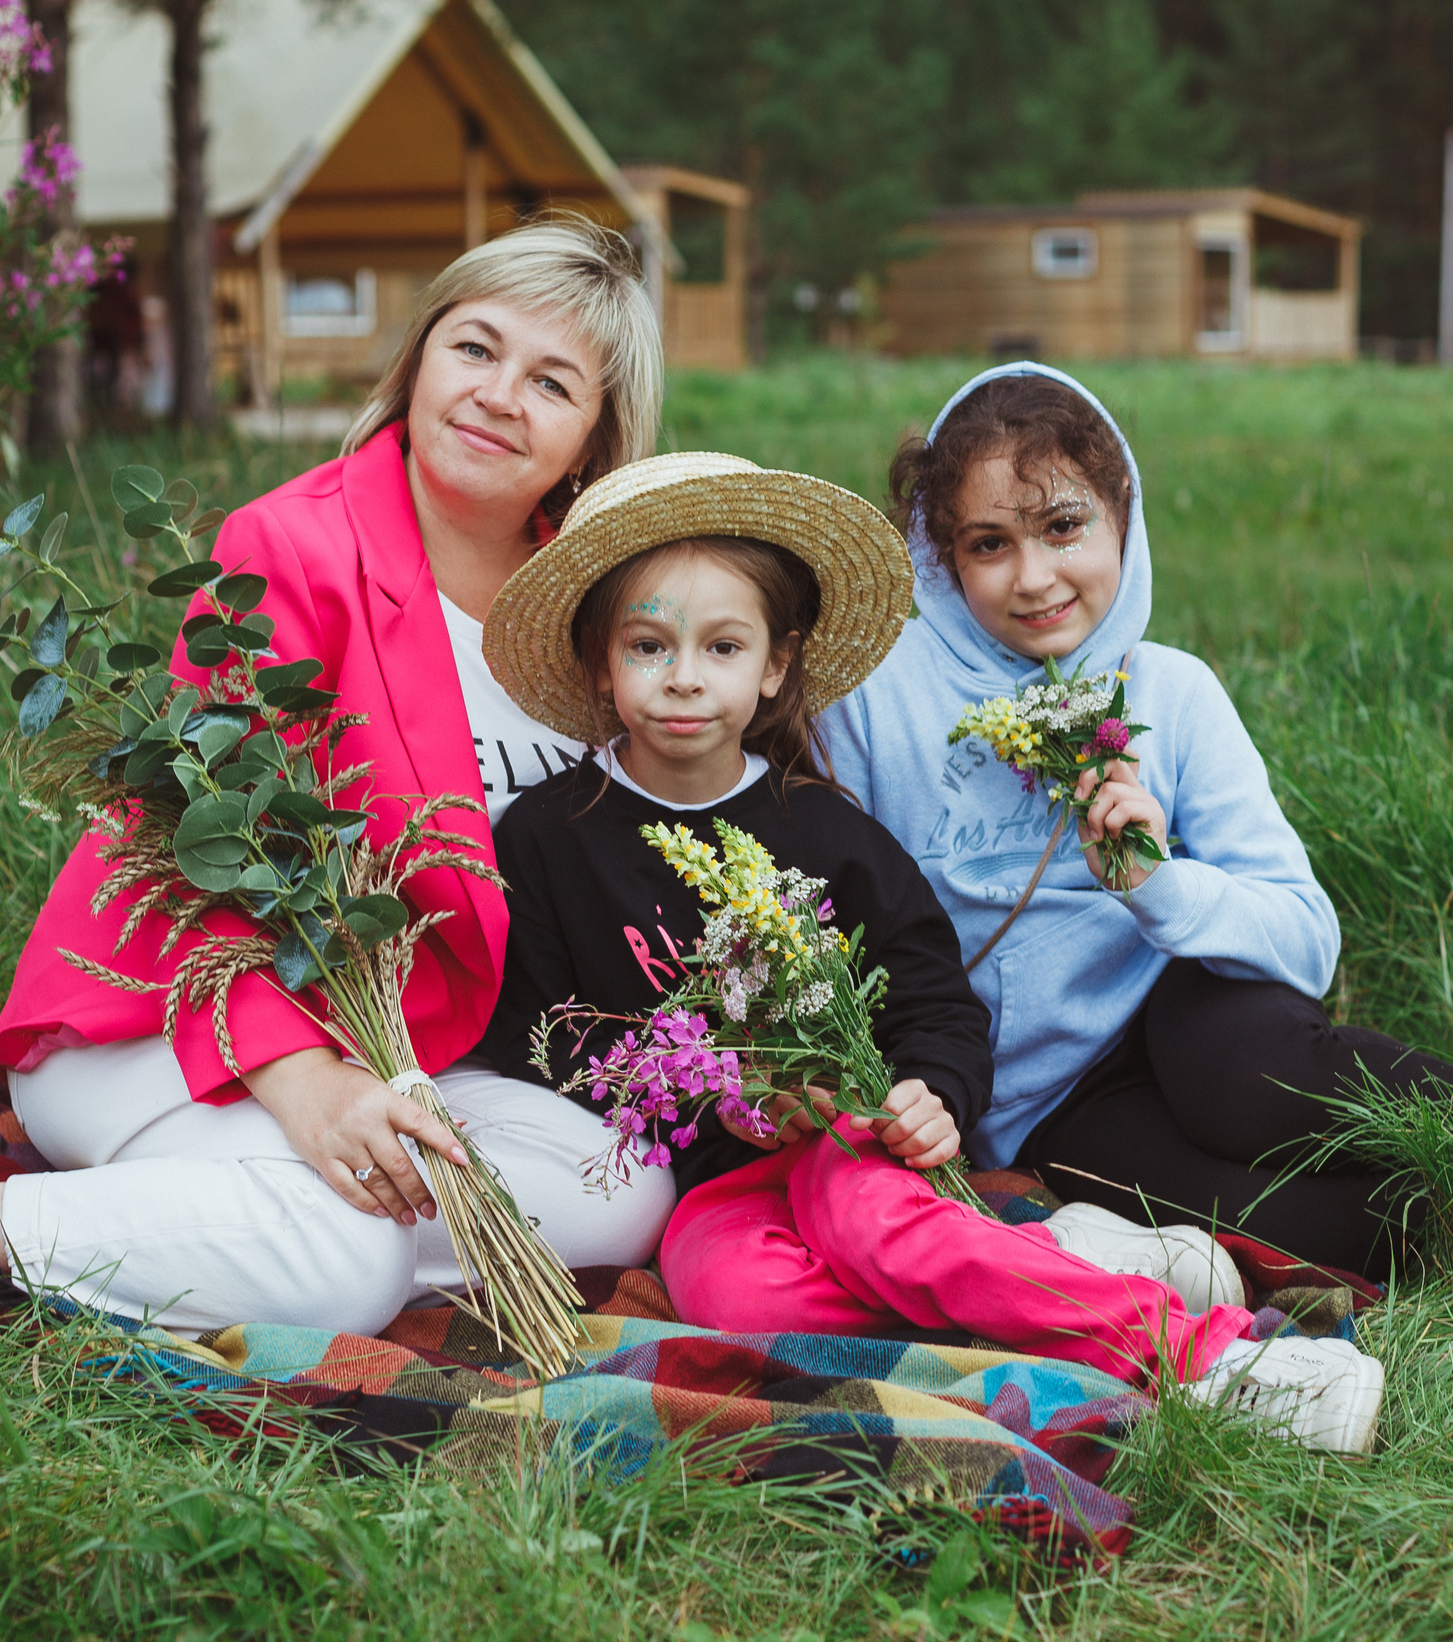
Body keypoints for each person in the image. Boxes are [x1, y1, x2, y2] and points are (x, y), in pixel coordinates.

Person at [0, 218, 680, 1337]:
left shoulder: (586, 602)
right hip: (164, 1018)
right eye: (474, 348)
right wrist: (302, 1082)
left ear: (594, 438)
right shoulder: (292, 546)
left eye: (551, 382)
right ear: (419, 360)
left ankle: (223, 1224)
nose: (498, 394)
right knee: (348, 1269)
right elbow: (188, 841)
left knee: (625, 1188)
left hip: (392, 1040)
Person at [467, 450, 1386, 1453]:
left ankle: (1212, 1357)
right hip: (705, 1182)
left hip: (847, 1139)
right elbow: (534, 1047)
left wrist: (931, 1091)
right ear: (601, 661)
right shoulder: (546, 839)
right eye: (647, 646)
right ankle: (1057, 1269)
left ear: (775, 665)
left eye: (722, 647)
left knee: (879, 1230)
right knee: (742, 1303)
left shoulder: (823, 833)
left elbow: (937, 1005)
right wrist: (712, 1097)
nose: (684, 677)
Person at [817, 363, 1453, 1285]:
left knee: (1250, 1079)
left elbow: (1306, 940)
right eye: (989, 543)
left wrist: (1155, 883)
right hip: (1045, 1102)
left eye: (1065, 526)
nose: (1034, 577)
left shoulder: (1170, 692)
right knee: (1278, 1220)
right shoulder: (874, 699)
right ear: (937, 555)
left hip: (1184, 1005)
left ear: (1123, 515)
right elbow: (843, 899)